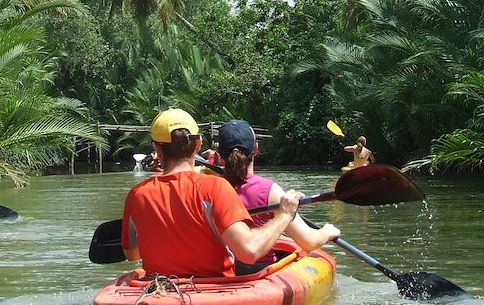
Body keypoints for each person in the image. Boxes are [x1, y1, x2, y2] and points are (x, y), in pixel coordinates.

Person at [121, 109, 303, 278]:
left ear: (157, 149)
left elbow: (132, 253)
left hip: (161, 290)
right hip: (215, 290)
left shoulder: (137, 195)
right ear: (198, 144)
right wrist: (285, 215)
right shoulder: (216, 187)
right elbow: (249, 251)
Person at [217, 119, 341, 275]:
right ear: (256, 149)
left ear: (219, 155)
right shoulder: (270, 191)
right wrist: (327, 231)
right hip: (260, 271)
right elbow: (309, 241)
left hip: (222, 270)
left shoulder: (210, 188)